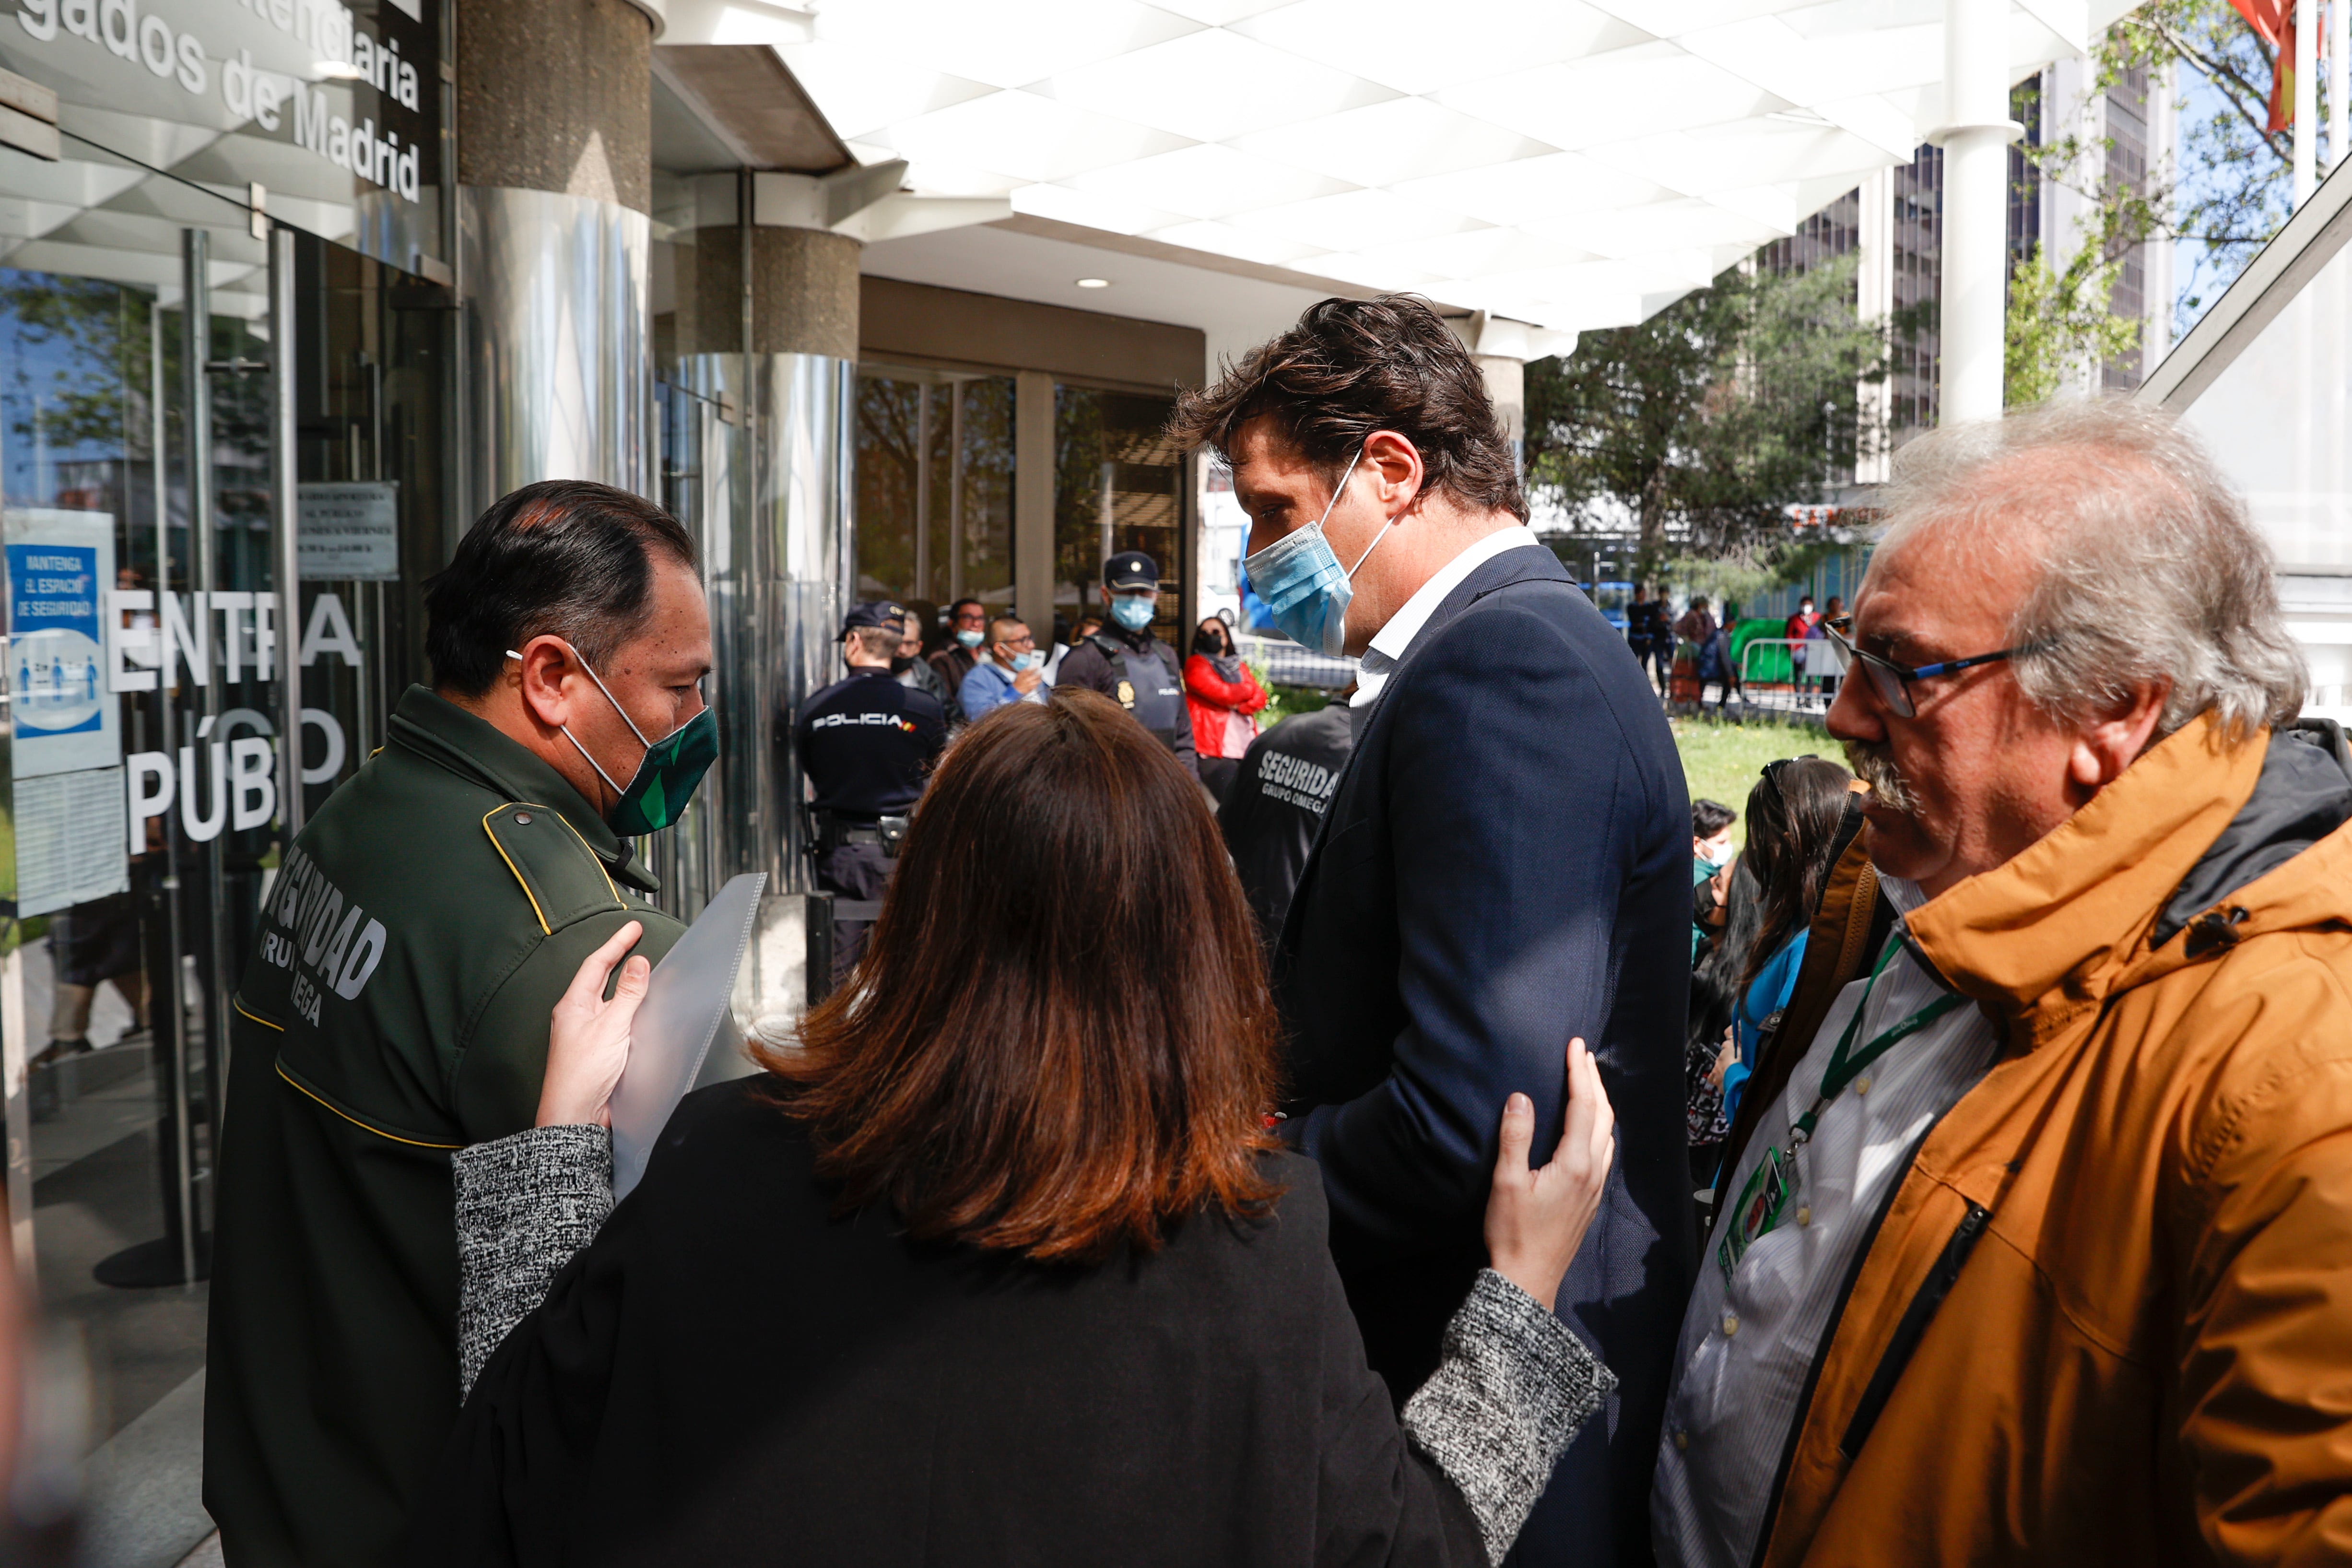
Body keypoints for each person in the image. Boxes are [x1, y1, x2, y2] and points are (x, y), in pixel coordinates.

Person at [411, 691, 1622, 1568]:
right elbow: (1413, 1552)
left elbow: (504, 1484)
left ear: (919, 912)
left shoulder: (718, 1158)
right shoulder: (1260, 1252)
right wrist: (1520, 1300)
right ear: (1197, 952)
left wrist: (554, 1157)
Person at [1654, 401, 2352, 1568]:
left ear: (2112, 709)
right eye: (1844, 653)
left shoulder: (2292, 1075)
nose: (1838, 713)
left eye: (1900, 670)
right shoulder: (1903, 880)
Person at [1174, 293, 1693, 1568]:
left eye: (1275, 511)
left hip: (1496, 1372)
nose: (1258, 555)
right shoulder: (1494, 651)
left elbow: (1474, 1115)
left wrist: (1236, 1181)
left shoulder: (1506, 663)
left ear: (1390, 471)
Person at [206, 481, 708, 1568]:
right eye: (679, 686)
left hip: (292, 1496)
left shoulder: (365, 811)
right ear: (552, 677)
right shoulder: (577, 947)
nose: (692, 724)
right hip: (434, 1522)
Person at [796, 602, 949, 983]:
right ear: (898, 646)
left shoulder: (816, 708)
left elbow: (811, 767)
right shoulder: (924, 708)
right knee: (908, 969)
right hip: (903, 852)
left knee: (837, 972)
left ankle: (834, 1041)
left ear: (853, 640)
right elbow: (935, 768)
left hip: (841, 853)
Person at [1714, 757, 1851, 1137]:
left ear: (1784, 844)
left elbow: (1782, 1101)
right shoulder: (1800, 925)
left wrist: (1734, 1073)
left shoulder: (1809, 945)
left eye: (1756, 833)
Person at [1219, 688, 1357, 948]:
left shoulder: (1280, 732)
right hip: (1309, 940)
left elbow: (1224, 826)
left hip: (1242, 918)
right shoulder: (1368, 757)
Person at [1054, 552, 1200, 774]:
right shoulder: (1085, 659)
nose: (1136, 599)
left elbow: (1183, 738)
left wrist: (1190, 792)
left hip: (1167, 791)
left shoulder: (1166, 655)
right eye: (1127, 592)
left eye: (1144, 592)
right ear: (1106, 595)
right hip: (1112, 795)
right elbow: (1065, 743)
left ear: (1156, 595)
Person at [1185, 615, 1270, 804]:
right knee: (1232, 804)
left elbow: (1261, 698)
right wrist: (1246, 692)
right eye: (1204, 634)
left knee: (1250, 803)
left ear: (1226, 637)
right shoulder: (1195, 665)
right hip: (1214, 751)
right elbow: (1225, 694)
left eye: (1216, 632)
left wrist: (1239, 706)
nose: (1210, 636)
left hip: (1244, 746)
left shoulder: (1238, 665)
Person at [958, 614, 1048, 720]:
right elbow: (981, 723)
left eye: (1030, 638)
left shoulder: (1033, 673)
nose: (1031, 645)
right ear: (1001, 649)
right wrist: (1014, 693)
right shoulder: (977, 679)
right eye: (1023, 640)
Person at [892, 607, 961, 727]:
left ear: (919, 647)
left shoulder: (932, 681)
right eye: (897, 642)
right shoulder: (872, 680)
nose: (902, 650)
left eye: (909, 644)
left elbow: (956, 720)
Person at [1689, 798, 1736, 963]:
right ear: (1697, 843)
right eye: (1721, 843)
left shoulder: (1706, 869)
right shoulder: (1697, 880)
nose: (1728, 847)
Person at [926, 597, 988, 695]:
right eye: (968, 617)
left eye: (980, 618)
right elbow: (945, 702)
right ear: (952, 624)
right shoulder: (941, 657)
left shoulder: (989, 654)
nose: (976, 624)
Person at [1629, 583, 1672, 696]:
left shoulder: (1653, 607)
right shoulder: (1632, 607)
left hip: (1652, 640)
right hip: (1636, 639)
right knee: (1634, 664)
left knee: (1648, 665)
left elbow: (1650, 622)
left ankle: (1648, 690)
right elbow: (1635, 621)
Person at [1783, 593, 1819, 705]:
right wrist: (1793, 647)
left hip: (1813, 650)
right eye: (1804, 605)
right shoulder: (1794, 619)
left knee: (1811, 676)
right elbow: (1788, 635)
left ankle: (1809, 700)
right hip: (1799, 650)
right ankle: (1798, 699)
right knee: (1798, 675)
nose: (1806, 607)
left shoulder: (1818, 618)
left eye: (1809, 604)